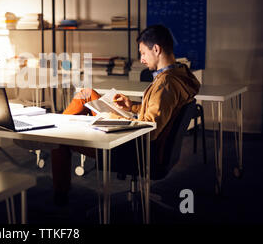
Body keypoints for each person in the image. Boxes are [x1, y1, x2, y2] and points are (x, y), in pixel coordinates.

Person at [51, 24, 200, 206]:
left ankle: (55, 141)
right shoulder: (179, 74)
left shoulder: (166, 84)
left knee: (60, 140)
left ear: (156, 49)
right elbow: (159, 111)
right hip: (138, 139)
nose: (142, 59)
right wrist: (131, 107)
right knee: (86, 93)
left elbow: (149, 128)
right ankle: (59, 127)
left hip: (134, 149)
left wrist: (112, 118)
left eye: (143, 53)